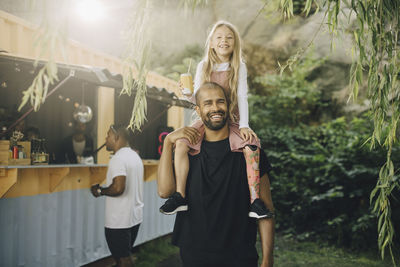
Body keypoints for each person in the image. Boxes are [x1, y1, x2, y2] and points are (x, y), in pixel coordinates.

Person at [159, 20, 270, 219]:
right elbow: (198, 98)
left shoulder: (239, 66)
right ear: (211, 42)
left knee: (251, 144)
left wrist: (244, 124)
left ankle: (255, 201)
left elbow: (243, 96)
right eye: (219, 37)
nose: (224, 41)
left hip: (231, 117)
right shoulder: (204, 65)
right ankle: (180, 195)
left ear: (235, 43)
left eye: (229, 37)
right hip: (208, 118)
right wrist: (187, 94)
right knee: (183, 144)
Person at [157, 82, 275, 267]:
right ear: (198, 109)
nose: (215, 108)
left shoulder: (249, 151)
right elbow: (164, 192)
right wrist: (168, 143)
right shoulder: (188, 152)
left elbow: (266, 206)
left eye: (220, 102)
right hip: (194, 254)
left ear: (228, 106)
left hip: (240, 255)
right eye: (208, 103)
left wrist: (268, 259)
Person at [90, 124, 144, 267]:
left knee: (123, 259)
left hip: (119, 220)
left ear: (117, 137)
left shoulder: (118, 158)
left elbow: (119, 187)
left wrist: (100, 191)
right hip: (134, 217)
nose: (106, 139)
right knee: (123, 256)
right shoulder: (135, 156)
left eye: (108, 135)